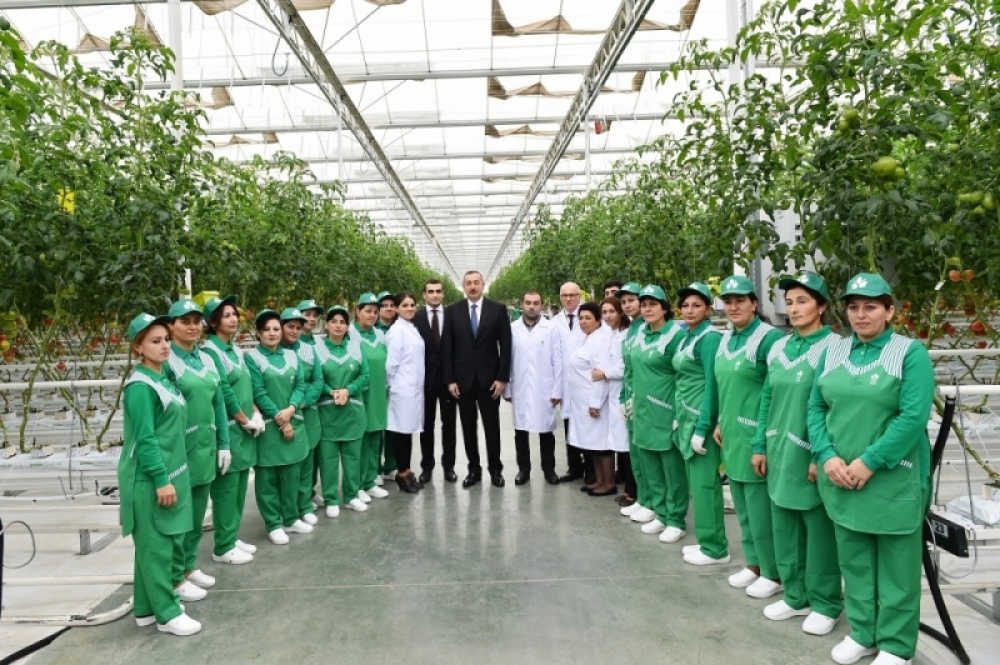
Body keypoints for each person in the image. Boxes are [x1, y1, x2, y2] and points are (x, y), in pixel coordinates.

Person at [808, 273, 934, 665]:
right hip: (840, 475)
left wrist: (869, 462)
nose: (861, 315)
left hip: (893, 477)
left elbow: (913, 417)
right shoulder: (833, 352)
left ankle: (896, 644)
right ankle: (863, 632)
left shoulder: (909, 353)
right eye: (854, 307)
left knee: (897, 565)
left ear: (889, 311)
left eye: (871, 306)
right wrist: (826, 455)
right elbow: (816, 407)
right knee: (855, 560)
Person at [752, 272, 842, 635]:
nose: (794, 309)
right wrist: (759, 444)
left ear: (821, 306)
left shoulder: (835, 348)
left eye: (803, 301)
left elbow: (836, 408)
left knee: (818, 532)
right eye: (789, 302)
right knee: (784, 525)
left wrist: (822, 455)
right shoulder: (780, 347)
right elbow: (767, 397)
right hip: (779, 450)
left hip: (811, 453)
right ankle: (794, 595)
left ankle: (826, 602)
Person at [120, 312, 201, 636]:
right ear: (138, 348)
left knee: (153, 546)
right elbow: (146, 439)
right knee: (157, 548)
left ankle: (145, 609)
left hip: (168, 471)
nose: (165, 345)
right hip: (148, 477)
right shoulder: (140, 387)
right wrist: (161, 479)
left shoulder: (162, 379)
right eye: (155, 341)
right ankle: (167, 613)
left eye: (166, 339)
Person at [713, 275, 786, 598]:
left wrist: (762, 440)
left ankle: (773, 571)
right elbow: (726, 386)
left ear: (754, 304)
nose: (733, 307)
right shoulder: (727, 337)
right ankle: (753, 563)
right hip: (731, 434)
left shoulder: (769, 339)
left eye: (740, 300)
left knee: (760, 510)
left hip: (757, 435)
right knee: (742, 505)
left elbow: (774, 393)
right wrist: (720, 421)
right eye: (728, 301)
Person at [163, 299, 229, 603]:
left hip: (205, 448)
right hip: (180, 450)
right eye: (184, 321)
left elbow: (219, 404)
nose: (192, 327)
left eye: (196, 321)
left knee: (198, 512)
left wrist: (224, 443)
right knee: (179, 516)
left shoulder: (207, 359)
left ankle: (189, 566)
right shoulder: (167, 362)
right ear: (171, 326)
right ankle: (175, 576)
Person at [201, 295, 261, 566]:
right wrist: (243, 418)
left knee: (238, 488)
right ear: (213, 322)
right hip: (230, 428)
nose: (233, 319)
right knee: (225, 491)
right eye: (226, 315)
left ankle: (232, 536)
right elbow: (224, 391)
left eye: (234, 314)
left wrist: (255, 412)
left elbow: (246, 386)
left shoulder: (235, 350)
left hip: (244, 429)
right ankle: (223, 546)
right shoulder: (210, 352)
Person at [673, 282, 728, 566]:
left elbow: (711, 386)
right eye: (685, 305)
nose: (690, 310)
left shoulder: (709, 339)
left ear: (708, 309)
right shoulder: (687, 337)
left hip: (700, 422)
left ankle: (716, 549)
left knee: (706, 487)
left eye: (697, 305)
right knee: (698, 485)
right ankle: (707, 540)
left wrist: (703, 427)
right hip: (686, 420)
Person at [246, 309, 312, 545]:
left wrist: (291, 409)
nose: (272, 333)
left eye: (276, 329)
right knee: (268, 479)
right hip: (269, 427)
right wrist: (281, 419)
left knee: (292, 474)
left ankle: (291, 518)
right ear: (258, 332)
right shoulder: (252, 358)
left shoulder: (292, 356)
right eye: (266, 329)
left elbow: (301, 386)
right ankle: (273, 523)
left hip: (294, 420)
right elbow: (258, 392)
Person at [627, 285, 688, 538]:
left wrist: (679, 411)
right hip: (642, 412)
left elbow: (684, 375)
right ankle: (660, 513)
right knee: (650, 466)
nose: (647, 309)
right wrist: (630, 397)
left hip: (666, 412)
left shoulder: (676, 335)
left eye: (653, 304)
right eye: (644, 305)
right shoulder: (641, 333)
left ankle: (676, 519)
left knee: (672, 470)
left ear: (665, 308)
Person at [443, 270, 512, 488]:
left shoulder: (497, 309)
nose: (472, 287)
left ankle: (495, 470)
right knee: (468, 428)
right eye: (468, 283)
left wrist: (502, 378)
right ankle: (474, 470)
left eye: (476, 282)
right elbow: (447, 347)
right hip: (462, 381)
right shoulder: (452, 311)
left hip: (490, 381)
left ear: (483, 284)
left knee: (492, 427)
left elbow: (506, 346)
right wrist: (450, 380)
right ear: (463, 287)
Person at [315, 305, 371, 515]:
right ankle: (331, 499)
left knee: (352, 457)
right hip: (327, 414)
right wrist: (331, 392)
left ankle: (351, 496)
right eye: (334, 321)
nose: (338, 325)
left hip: (352, 413)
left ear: (348, 326)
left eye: (342, 322)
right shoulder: (317, 349)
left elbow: (365, 375)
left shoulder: (356, 348)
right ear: (326, 324)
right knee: (328, 459)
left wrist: (348, 390)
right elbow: (315, 378)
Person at [504, 290, 563, 486]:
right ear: (522, 304)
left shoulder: (551, 328)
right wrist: (508, 388)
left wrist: (557, 390)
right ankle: (523, 470)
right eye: (528, 302)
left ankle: (549, 469)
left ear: (541, 305)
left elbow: (557, 360)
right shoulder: (512, 329)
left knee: (546, 432)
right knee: (521, 432)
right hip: (520, 386)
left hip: (544, 387)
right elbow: (506, 360)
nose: (531, 306)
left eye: (536, 303)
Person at [565, 302, 615, 495]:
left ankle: (608, 483)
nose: (583, 322)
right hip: (582, 403)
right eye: (581, 318)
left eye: (588, 318)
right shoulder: (588, 339)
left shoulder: (600, 341)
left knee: (602, 445)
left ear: (598, 320)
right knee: (592, 445)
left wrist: (595, 403)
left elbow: (600, 375)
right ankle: (599, 480)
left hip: (594, 403)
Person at [280, 306, 324, 526]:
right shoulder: (275, 350)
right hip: (283, 414)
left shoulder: (308, 350)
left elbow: (318, 380)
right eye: (290, 326)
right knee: (288, 464)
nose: (294, 331)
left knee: (307, 461)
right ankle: (287, 508)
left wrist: (304, 401)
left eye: (298, 327)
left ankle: (304, 504)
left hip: (307, 411)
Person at [413, 279, 458, 484]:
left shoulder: (453, 316)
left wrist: (455, 378)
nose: (434, 295)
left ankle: (449, 467)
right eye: (430, 291)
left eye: (438, 291)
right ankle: (427, 467)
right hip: (425, 380)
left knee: (449, 425)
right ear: (424, 295)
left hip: (449, 380)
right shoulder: (416, 317)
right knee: (426, 426)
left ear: (443, 294)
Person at [386, 292, 426, 493]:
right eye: (405, 305)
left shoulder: (411, 327)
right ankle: (401, 474)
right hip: (402, 389)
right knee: (401, 432)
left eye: (412, 305)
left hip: (413, 389)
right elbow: (391, 364)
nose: (410, 308)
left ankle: (408, 470)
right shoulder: (396, 331)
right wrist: (394, 386)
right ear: (397, 308)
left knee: (408, 431)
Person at [553, 282, 592, 484]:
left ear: (579, 296)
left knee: (589, 426)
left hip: (587, 381)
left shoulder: (588, 316)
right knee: (569, 426)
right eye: (565, 295)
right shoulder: (555, 321)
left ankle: (591, 470)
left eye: (572, 295)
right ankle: (574, 467)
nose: (568, 299)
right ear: (560, 298)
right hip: (565, 383)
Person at [353, 293, 390, 500]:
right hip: (359, 395)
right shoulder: (350, 334)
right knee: (358, 442)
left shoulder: (379, 335)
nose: (372, 315)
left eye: (375, 312)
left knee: (375, 438)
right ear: (357, 311)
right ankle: (356, 485)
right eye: (368, 311)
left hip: (377, 395)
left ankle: (370, 480)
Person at [616, 282, 646, 512]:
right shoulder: (632, 329)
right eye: (624, 302)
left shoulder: (647, 328)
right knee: (637, 454)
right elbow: (628, 368)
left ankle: (648, 500)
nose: (627, 305)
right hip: (631, 397)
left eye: (632, 300)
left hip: (647, 399)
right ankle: (642, 499)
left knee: (648, 457)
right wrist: (623, 397)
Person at [595, 296, 630, 495]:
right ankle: (627, 486)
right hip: (613, 394)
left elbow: (624, 367)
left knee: (626, 444)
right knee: (620, 442)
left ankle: (631, 491)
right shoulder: (612, 334)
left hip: (623, 393)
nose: (607, 316)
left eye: (611, 311)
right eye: (604, 312)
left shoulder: (626, 335)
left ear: (620, 312)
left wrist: (605, 374)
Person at [295, 299, 326, 500]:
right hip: (299, 405)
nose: (312, 319)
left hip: (320, 404)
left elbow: (320, 377)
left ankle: (310, 491)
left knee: (315, 451)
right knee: (302, 451)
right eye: (307, 315)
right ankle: (299, 495)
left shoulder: (319, 343)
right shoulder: (291, 344)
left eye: (315, 315)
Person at [376, 290, 398, 479]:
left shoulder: (401, 327)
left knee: (393, 426)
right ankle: (374, 468)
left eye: (392, 305)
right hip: (376, 385)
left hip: (396, 385)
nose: (389, 308)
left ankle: (391, 465)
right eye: (384, 305)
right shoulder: (371, 331)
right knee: (376, 428)